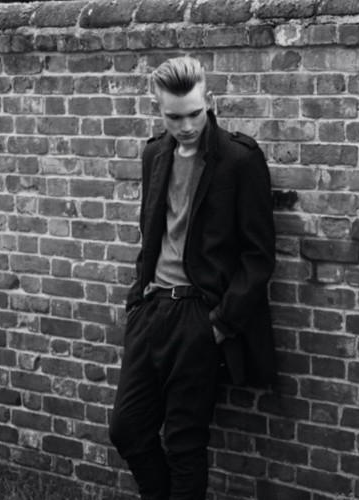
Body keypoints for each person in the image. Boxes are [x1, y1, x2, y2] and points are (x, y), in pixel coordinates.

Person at [108, 56, 276, 500]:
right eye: (173, 116)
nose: (185, 126)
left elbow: (259, 257)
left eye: (194, 114)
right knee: (126, 429)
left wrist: (219, 325)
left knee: (184, 443)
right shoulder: (154, 154)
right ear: (158, 109)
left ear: (210, 102)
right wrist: (136, 300)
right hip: (151, 310)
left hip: (199, 317)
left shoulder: (239, 159)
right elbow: (151, 234)